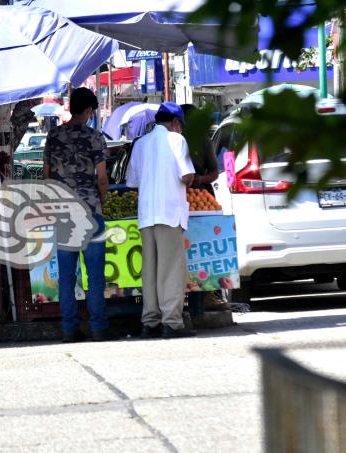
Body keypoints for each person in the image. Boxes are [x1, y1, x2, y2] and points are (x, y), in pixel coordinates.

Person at [43, 87, 116, 342]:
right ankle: (98, 328)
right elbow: (103, 179)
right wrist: (101, 202)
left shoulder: (53, 136)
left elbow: (46, 176)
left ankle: (69, 329)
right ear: (87, 111)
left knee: (66, 275)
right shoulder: (95, 137)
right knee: (94, 273)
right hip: (90, 212)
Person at [126, 102, 196, 339]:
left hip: (147, 213)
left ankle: (150, 321)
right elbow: (187, 174)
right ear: (175, 123)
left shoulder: (141, 144)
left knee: (151, 270)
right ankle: (172, 322)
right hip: (169, 212)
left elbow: (132, 182)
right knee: (171, 269)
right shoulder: (177, 140)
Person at [181, 104, 229, 312]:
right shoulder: (173, 142)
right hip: (180, 200)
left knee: (200, 252)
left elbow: (214, 172)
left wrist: (199, 179)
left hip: (202, 199)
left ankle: (204, 298)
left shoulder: (203, 141)